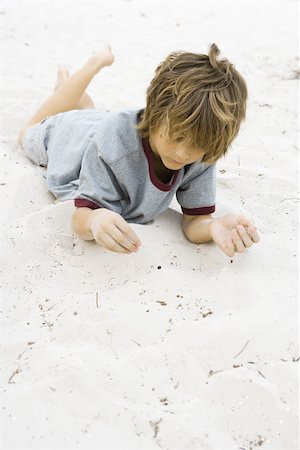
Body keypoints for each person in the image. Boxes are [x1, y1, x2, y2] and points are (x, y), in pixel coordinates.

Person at [18, 43, 260, 257]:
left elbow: (194, 221)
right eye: (177, 137)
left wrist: (211, 226)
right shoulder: (114, 141)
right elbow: (81, 217)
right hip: (74, 140)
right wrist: (96, 218)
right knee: (29, 132)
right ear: (154, 114)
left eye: (198, 146)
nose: (184, 154)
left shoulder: (204, 144)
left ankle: (66, 89)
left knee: (86, 113)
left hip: (99, 126)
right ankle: (93, 64)